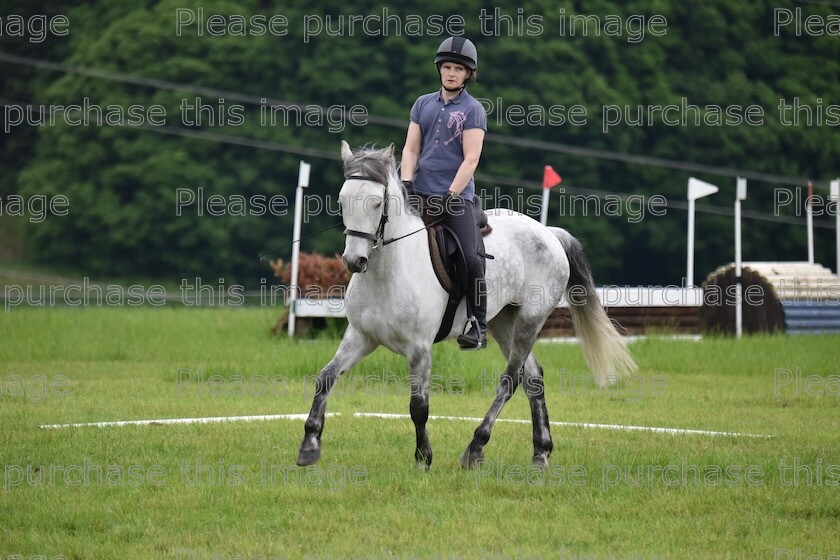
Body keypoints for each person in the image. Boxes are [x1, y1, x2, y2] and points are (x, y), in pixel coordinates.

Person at [400, 37, 489, 350]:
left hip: (455, 200)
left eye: (459, 69)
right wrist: (407, 183)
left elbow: (471, 159)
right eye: (447, 67)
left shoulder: (473, 110)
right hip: (418, 193)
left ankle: (478, 324)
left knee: (470, 257)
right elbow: (411, 149)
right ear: (440, 69)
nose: (452, 73)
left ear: (468, 75)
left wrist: (450, 194)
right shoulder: (422, 104)